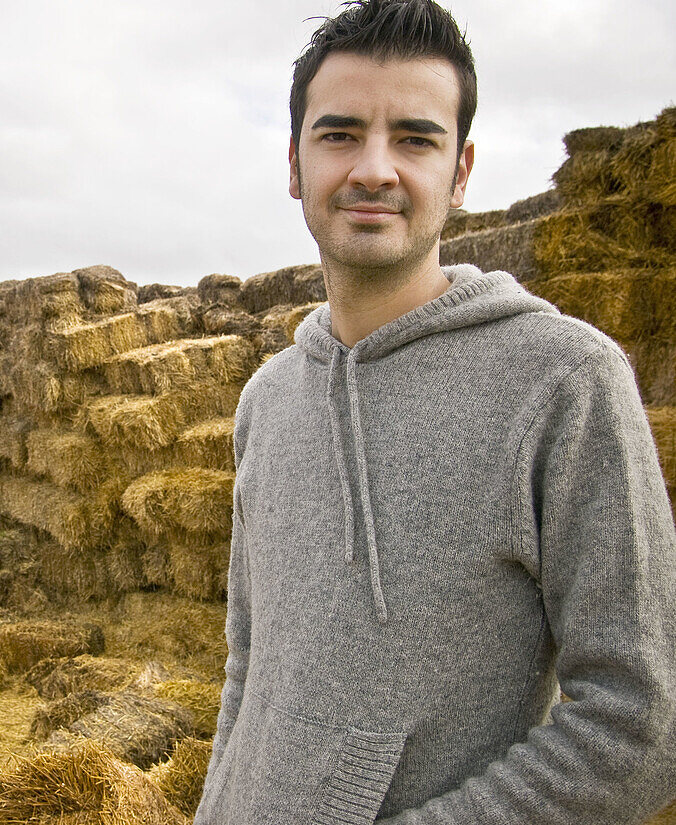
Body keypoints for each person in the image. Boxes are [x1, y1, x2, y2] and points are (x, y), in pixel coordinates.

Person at [192, 1, 676, 823]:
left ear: (460, 171)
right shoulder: (266, 401)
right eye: (339, 133)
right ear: (293, 163)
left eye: (414, 138)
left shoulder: (564, 381)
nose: (374, 168)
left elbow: (644, 722)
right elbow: (250, 671)